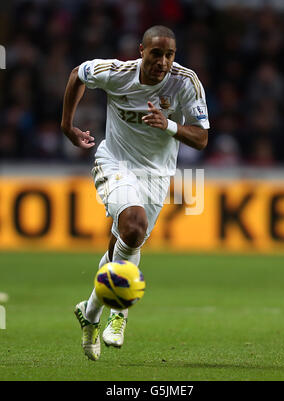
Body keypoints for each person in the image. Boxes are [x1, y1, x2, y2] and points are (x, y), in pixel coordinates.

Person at [61, 25, 210, 361]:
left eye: (169, 54)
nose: (163, 61)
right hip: (114, 162)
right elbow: (77, 75)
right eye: (156, 53)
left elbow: (201, 139)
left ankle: (90, 312)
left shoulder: (185, 82)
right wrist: (66, 126)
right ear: (142, 50)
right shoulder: (118, 73)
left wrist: (169, 125)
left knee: (124, 243)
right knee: (133, 224)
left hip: (157, 175)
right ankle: (120, 311)